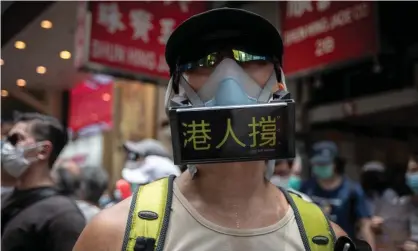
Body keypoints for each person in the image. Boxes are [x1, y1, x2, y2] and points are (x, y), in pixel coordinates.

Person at [74, 8, 349, 251]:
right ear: (176, 93)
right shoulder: (114, 235)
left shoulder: (323, 239)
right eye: (203, 61)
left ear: (280, 85)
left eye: (251, 56)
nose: (228, 74)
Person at [1, 112, 85, 251]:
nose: (6, 147)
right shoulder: (5, 200)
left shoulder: (63, 216)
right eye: (6, 139)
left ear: (43, 151)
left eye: (16, 139)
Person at [300, 141, 375, 249]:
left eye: (324, 164)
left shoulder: (352, 190)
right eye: (317, 164)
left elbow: (365, 225)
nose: (320, 167)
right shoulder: (306, 188)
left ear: (335, 164)